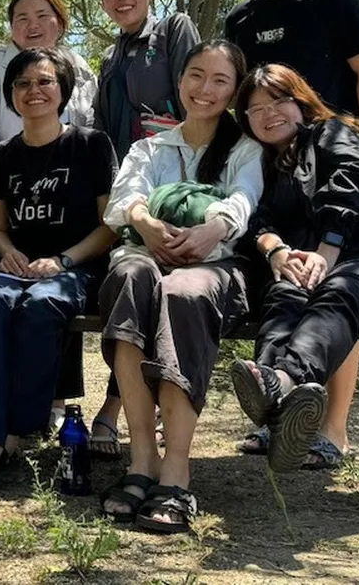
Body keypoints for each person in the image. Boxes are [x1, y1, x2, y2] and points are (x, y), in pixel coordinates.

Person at [222, 0, 359, 467]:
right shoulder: (241, 20)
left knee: (334, 282)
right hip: (274, 175)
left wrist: (349, 147)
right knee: (288, 282)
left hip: (336, 175)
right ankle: (281, 418)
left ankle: (333, 431)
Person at [95, 41, 263, 534]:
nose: (204, 88)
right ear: (180, 80)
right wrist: (145, 223)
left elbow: (245, 197)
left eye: (220, 80)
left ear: (235, 91)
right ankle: (142, 458)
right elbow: (125, 197)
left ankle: (176, 470)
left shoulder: (245, 148)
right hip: (144, 256)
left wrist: (213, 229)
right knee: (129, 276)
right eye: (195, 75)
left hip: (214, 265)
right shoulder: (150, 147)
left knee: (184, 292)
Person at [228, 64, 359, 473]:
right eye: (256, 109)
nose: (268, 114)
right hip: (307, 271)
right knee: (282, 294)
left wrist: (327, 251)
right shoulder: (264, 165)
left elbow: (354, 180)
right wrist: (275, 250)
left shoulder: (333, 134)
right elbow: (256, 219)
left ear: (301, 102)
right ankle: (277, 408)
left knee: (337, 290)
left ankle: (281, 384)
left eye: (278, 101)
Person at [0, 47, 116, 497]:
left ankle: (12, 433)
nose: (33, 91)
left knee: (43, 303)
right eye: (22, 83)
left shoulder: (90, 145)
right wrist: (7, 253)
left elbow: (109, 227)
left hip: (75, 267)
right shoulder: (2, 155)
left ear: (63, 90)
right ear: (10, 94)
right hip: (17, 267)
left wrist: (63, 260)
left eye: (44, 81)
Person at [87, 0, 201, 455]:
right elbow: (102, 132)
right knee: (129, 284)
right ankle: (128, 405)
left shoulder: (174, 31)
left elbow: (197, 101)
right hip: (129, 190)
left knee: (154, 286)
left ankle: (119, 408)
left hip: (176, 183)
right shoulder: (110, 58)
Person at [0, 0, 97, 147]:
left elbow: (93, 119)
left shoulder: (77, 66)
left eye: (42, 16)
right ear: (12, 27)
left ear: (60, 23)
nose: (33, 25)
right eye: (23, 19)